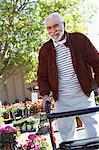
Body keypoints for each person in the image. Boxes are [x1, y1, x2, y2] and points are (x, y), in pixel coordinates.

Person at [37, 12, 99, 142]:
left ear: (64, 25)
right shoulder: (45, 50)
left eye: (56, 26)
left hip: (84, 96)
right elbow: (42, 76)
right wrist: (45, 95)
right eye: (49, 28)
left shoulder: (79, 40)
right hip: (62, 100)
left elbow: (97, 62)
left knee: (94, 134)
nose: (53, 31)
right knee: (67, 138)